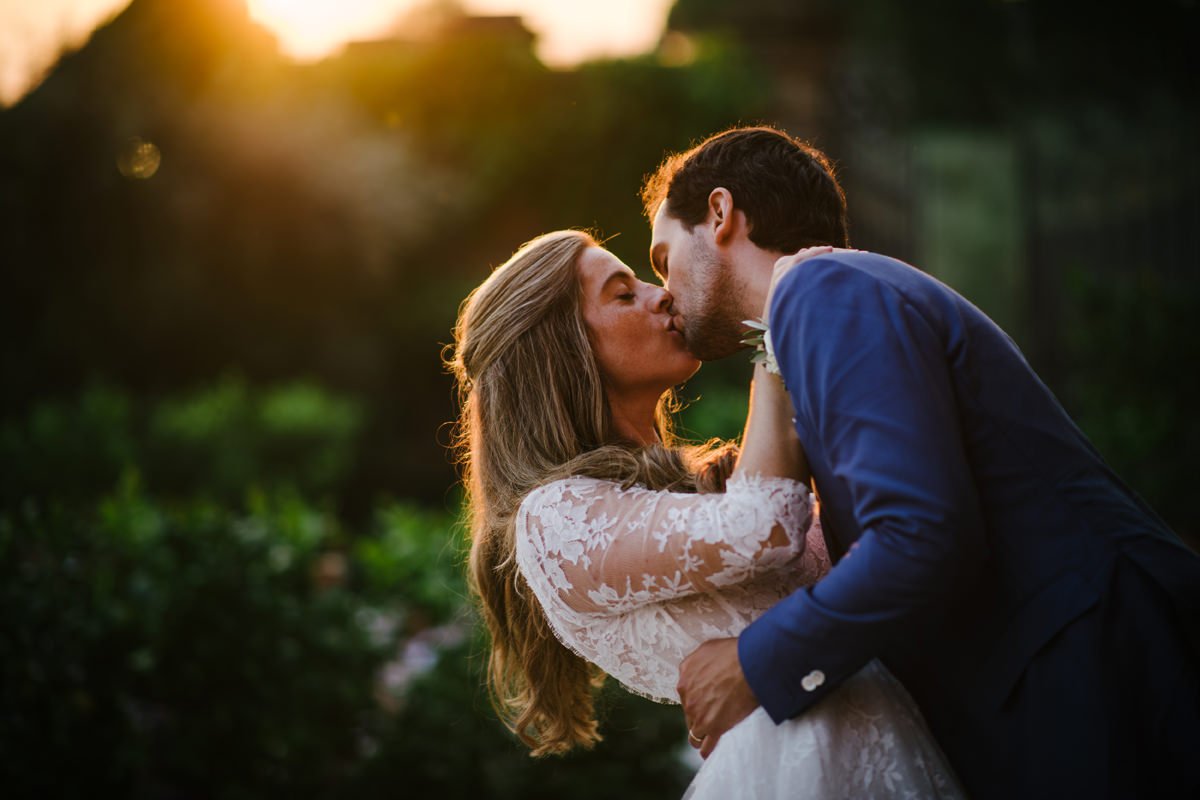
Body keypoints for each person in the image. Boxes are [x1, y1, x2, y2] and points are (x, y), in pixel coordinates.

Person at [644, 125, 1200, 799]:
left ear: (721, 214)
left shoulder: (822, 292)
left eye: (661, 259)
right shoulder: (831, 299)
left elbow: (922, 532)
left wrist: (754, 665)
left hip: (1102, 676)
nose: (663, 292)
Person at [447, 229, 966, 797]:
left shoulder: (702, 488)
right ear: (559, 348)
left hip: (889, 737)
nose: (661, 295)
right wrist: (778, 322)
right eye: (623, 295)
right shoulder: (554, 519)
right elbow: (765, 529)